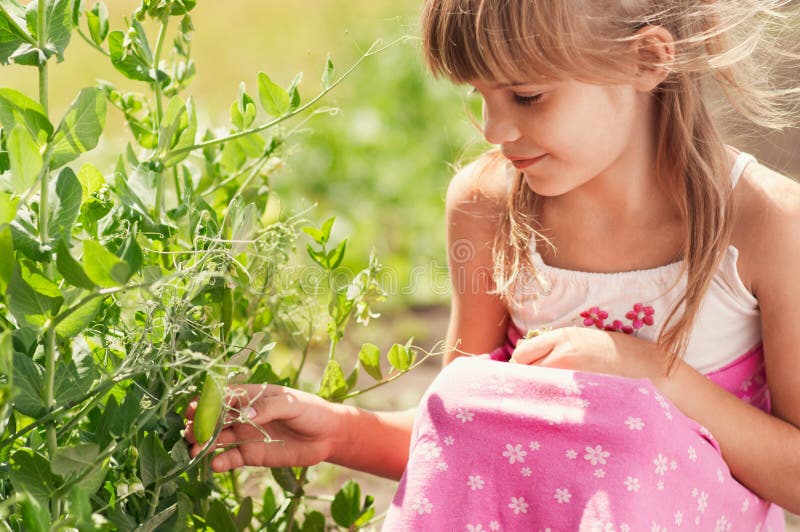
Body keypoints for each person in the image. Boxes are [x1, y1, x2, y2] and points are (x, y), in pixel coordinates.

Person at [186, 0, 800, 529]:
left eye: (527, 96)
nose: (494, 128)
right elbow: (468, 437)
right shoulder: (489, 208)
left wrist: (655, 377)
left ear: (645, 61)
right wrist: (338, 432)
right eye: (478, 95)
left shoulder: (766, 224)